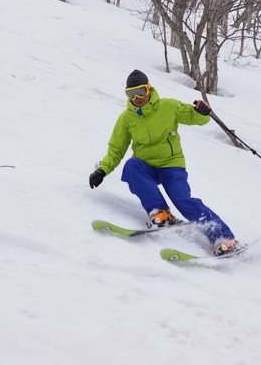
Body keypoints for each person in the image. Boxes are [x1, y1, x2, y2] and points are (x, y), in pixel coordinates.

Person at [89, 69, 239, 256]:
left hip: (171, 164)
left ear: (149, 89)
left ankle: (223, 238)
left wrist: (202, 112)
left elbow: (195, 118)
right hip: (146, 166)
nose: (137, 97)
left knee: (183, 200)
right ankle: (160, 212)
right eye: (130, 93)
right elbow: (116, 149)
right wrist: (102, 170)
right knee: (131, 166)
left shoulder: (168, 106)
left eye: (140, 91)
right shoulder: (127, 118)